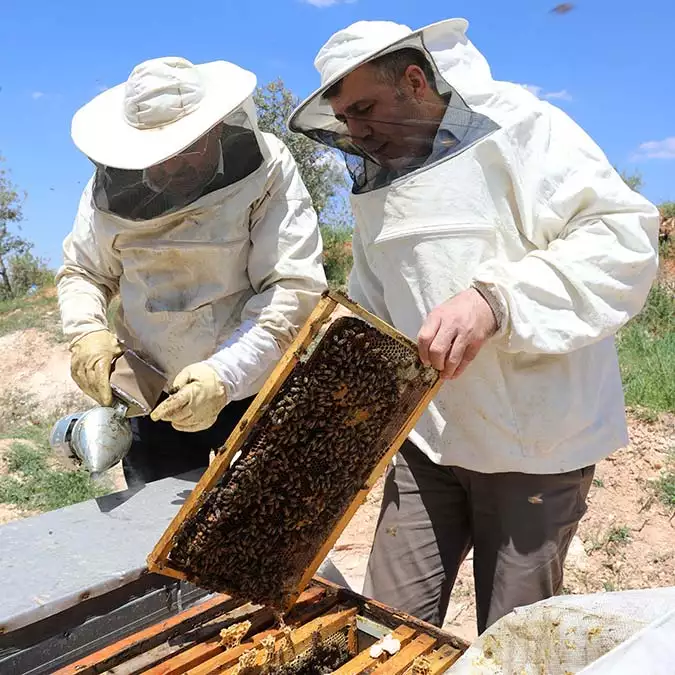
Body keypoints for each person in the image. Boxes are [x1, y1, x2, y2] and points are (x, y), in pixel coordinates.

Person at [289, 18, 659, 633]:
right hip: (428, 439)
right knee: (383, 625)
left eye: (364, 108)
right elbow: (373, 302)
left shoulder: (525, 127)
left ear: (414, 79)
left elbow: (622, 238)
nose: (356, 130)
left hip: (535, 445)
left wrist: (496, 301)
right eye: (345, 118)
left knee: (513, 641)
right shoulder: (380, 180)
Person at [57, 56, 327, 488]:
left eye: (186, 150)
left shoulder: (269, 167)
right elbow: (83, 271)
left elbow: (291, 287)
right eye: (156, 156)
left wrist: (224, 375)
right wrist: (86, 330)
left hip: (249, 380)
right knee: (156, 526)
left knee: (264, 514)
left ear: (216, 128)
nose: (170, 167)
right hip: (148, 388)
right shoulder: (104, 192)